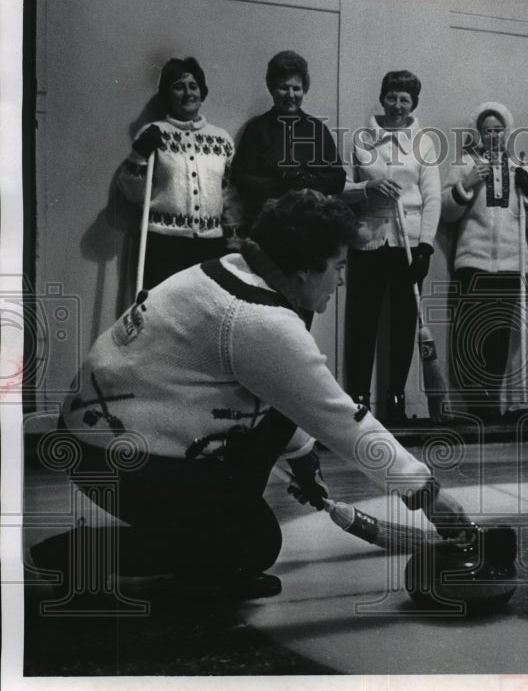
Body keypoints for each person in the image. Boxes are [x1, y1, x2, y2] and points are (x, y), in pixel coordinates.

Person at [30, 190, 475, 601]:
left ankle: (203, 549)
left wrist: (302, 459)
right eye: (339, 267)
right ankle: (87, 552)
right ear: (304, 268)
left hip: (93, 442)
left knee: (239, 526)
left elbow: (287, 394)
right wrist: (428, 495)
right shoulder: (258, 321)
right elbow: (340, 418)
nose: (340, 281)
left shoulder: (225, 270)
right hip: (114, 460)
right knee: (252, 544)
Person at [339, 70, 441, 424]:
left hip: (409, 244)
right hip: (369, 238)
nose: (397, 106)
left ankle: (396, 399)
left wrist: (426, 246)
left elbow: (432, 198)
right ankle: (358, 401)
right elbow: (343, 184)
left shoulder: (424, 142)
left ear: (413, 104)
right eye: (392, 97)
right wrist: (370, 188)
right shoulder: (363, 138)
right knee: (361, 323)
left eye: (405, 99)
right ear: (382, 98)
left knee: (404, 323)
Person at [440, 102, 528, 422]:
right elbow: (447, 212)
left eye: (498, 130)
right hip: (473, 263)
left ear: (507, 133)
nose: (493, 136)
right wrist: (468, 183)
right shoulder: (464, 166)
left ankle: (493, 405)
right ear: (479, 134)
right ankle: (477, 405)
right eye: (486, 131)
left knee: (500, 337)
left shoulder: (520, 168)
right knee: (471, 336)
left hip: (511, 264)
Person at [117, 56, 241, 289]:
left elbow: (228, 195)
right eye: (179, 87)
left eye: (193, 86)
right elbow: (132, 194)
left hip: (210, 247)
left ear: (202, 92)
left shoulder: (222, 139)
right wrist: (138, 155)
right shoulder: (153, 133)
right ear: (167, 95)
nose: (187, 93)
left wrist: (233, 237)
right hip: (164, 245)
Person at [231, 50, 346, 228]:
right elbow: (241, 179)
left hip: (311, 227)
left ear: (304, 89)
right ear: (272, 88)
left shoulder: (317, 129)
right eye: (284, 87)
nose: (291, 95)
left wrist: (305, 181)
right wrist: (281, 183)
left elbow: (338, 179)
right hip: (268, 227)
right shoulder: (257, 129)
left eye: (296, 88)